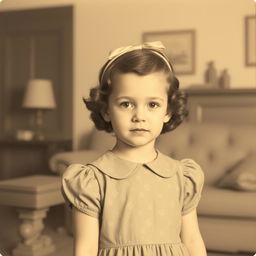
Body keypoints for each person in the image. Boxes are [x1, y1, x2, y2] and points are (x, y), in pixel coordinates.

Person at [61, 41, 207, 256]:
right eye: (126, 104)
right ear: (106, 110)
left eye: (153, 105)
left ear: (168, 111)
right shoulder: (92, 180)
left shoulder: (182, 176)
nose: (139, 116)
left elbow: (193, 241)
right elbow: (86, 248)